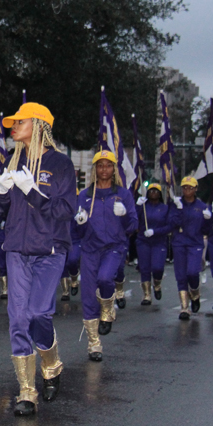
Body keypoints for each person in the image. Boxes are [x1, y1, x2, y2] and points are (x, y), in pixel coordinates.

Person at [0, 103, 74, 416]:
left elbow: (65, 210)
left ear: (39, 124)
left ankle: (51, 366)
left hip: (50, 249)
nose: (13, 127)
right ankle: (26, 391)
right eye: (11, 122)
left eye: (19, 121)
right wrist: (1, 192)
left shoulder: (61, 164)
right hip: (16, 248)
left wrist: (33, 192)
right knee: (18, 317)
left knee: (40, 313)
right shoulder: (13, 161)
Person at [74, 151, 137, 361]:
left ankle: (108, 310)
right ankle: (94, 344)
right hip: (90, 249)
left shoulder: (123, 195)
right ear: (95, 169)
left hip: (114, 247)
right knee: (89, 296)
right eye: (99, 165)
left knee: (105, 278)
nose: (103, 169)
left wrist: (125, 214)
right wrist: (79, 222)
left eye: (108, 165)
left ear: (113, 169)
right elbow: (76, 233)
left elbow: (133, 226)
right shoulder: (84, 196)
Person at [168, 176, 211, 320]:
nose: (187, 190)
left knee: (193, 272)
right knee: (181, 276)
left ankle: (195, 294)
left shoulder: (202, 206)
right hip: (179, 243)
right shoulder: (176, 204)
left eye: (190, 188)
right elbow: (172, 223)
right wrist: (179, 210)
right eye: (185, 187)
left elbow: (206, 230)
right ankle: (184, 308)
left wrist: (208, 219)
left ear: (195, 189)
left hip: (195, 244)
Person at [135, 184, 170, 305]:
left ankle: (157, 284)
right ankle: (146, 295)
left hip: (159, 241)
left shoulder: (165, 208)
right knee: (144, 268)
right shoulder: (144, 207)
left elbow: (169, 226)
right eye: (151, 190)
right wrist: (138, 206)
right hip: (143, 241)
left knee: (157, 267)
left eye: (156, 191)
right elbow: (134, 219)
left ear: (160, 194)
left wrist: (155, 231)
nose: (153, 192)